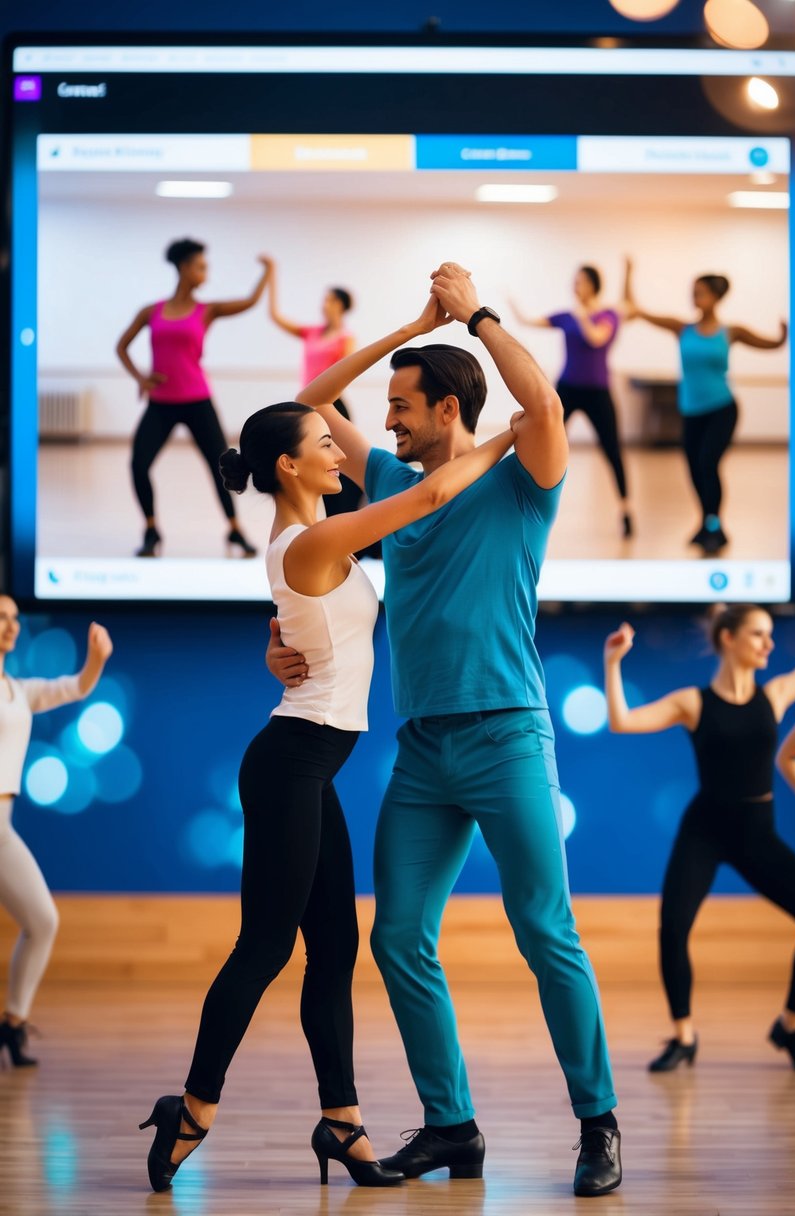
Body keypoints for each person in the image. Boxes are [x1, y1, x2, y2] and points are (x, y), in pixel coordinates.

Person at [137, 295, 521, 1194]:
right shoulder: (310, 541)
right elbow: (429, 493)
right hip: (291, 761)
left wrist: (402, 332)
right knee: (264, 947)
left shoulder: (301, 531)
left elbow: (310, 397)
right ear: (288, 467)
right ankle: (192, 1108)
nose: (338, 445)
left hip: (312, 763)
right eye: (321, 444)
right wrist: (510, 434)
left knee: (335, 952)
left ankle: (342, 1124)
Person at [267, 262, 622, 1199]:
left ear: (448, 409)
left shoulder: (521, 484)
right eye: (386, 407)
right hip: (421, 749)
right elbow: (302, 406)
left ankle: (598, 1121)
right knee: (398, 940)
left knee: (544, 931)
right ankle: (451, 1125)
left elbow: (540, 404)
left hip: (508, 735)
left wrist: (478, 318)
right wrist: (402, 332)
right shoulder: (385, 478)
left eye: (403, 406)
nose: (386, 421)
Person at [604, 601, 795, 1072]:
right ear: (729, 639)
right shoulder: (693, 702)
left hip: (757, 832)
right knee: (673, 929)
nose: (768, 644)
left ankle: (790, 1025)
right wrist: (612, 663)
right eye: (758, 635)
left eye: (770, 635)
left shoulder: (777, 695)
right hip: (705, 829)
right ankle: (684, 1036)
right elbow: (623, 721)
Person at [0, 597, 113, 1067]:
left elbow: (75, 688)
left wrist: (96, 660)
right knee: (43, 921)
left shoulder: (17, 690)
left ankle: (13, 1024)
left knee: (43, 921)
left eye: (12, 619)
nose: (9, 626)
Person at [116, 239, 270, 558]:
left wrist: (268, 272)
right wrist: (141, 378)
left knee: (220, 465)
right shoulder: (151, 311)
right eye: (200, 267)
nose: (205, 273)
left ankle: (235, 529)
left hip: (197, 399)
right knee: (138, 464)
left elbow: (250, 301)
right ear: (184, 268)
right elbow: (122, 346)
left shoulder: (207, 310)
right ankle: (151, 529)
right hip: (161, 402)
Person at [623, 260, 787, 555]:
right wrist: (628, 273)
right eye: (693, 292)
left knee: (708, 463)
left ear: (715, 296)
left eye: (700, 292)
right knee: (694, 469)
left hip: (722, 409)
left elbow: (771, 344)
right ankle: (706, 521)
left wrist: (783, 335)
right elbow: (638, 310)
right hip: (691, 412)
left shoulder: (731, 331)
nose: (694, 297)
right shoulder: (682, 328)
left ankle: (715, 525)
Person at [511, 264, 633, 538]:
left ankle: (626, 510)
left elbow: (596, 337)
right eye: (574, 281)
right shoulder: (567, 316)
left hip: (598, 392)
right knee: (542, 440)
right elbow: (528, 321)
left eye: (580, 282)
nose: (575, 286)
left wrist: (581, 317)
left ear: (593, 285)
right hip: (567, 388)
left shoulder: (608, 316)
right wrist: (511, 302)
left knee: (612, 449)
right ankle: (524, 503)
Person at [266, 265, 372, 533]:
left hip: (331, 406)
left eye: (328, 300)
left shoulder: (345, 338)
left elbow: (347, 372)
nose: (323, 305)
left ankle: (345, 522)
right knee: (314, 465)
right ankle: (328, 525)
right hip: (306, 408)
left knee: (339, 464)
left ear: (340, 306)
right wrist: (271, 276)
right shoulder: (312, 332)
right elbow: (276, 317)